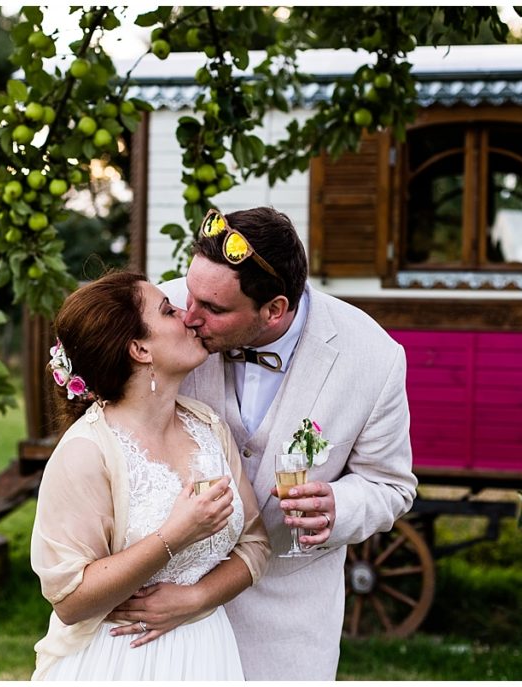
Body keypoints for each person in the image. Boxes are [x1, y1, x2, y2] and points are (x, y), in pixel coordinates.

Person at [108, 207, 418, 679]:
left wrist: (340, 505)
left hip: (288, 621)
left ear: (274, 309)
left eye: (212, 309)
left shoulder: (373, 358)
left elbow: (391, 485)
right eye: (188, 295)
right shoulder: (162, 316)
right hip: (160, 613)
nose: (189, 317)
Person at [29, 270, 270, 681]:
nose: (188, 316)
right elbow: (69, 600)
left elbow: (256, 544)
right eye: (168, 310)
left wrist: (197, 598)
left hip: (208, 654)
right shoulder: (87, 451)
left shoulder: (208, 427)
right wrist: (173, 537)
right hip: (120, 660)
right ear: (140, 348)